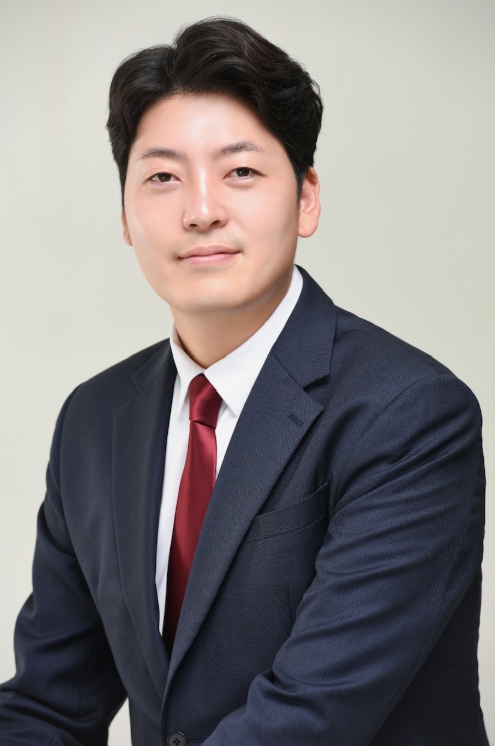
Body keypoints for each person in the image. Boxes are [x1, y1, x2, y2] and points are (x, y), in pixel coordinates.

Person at [0, 16, 488, 746]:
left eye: (241, 172)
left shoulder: (409, 413)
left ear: (306, 198)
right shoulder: (93, 421)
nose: (201, 211)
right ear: (126, 216)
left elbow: (308, 719)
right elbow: (47, 705)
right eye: (162, 177)